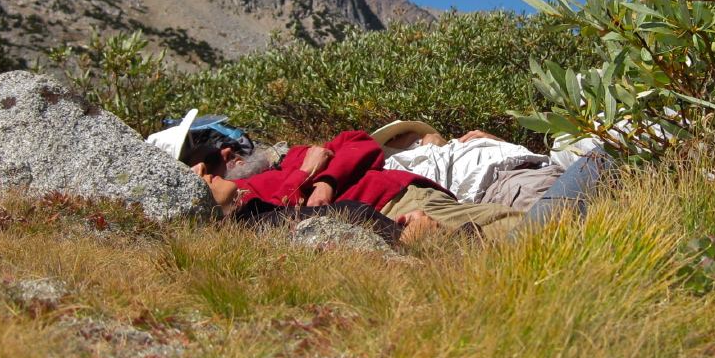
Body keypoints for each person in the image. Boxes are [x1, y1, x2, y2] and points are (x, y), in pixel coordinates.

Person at [183, 129, 557, 244]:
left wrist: (327, 178)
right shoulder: (245, 201)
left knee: (517, 220)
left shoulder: (291, 156)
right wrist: (308, 175)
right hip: (392, 209)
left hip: (413, 190)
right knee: (528, 229)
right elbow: (290, 217)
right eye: (212, 162)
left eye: (221, 151)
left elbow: (359, 141)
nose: (228, 156)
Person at [369, 120, 565, 210]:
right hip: (509, 186)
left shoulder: (456, 144)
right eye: (394, 137)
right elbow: (434, 191)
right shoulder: (396, 166)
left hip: (546, 167)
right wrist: (429, 150)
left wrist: (498, 142)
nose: (400, 135)